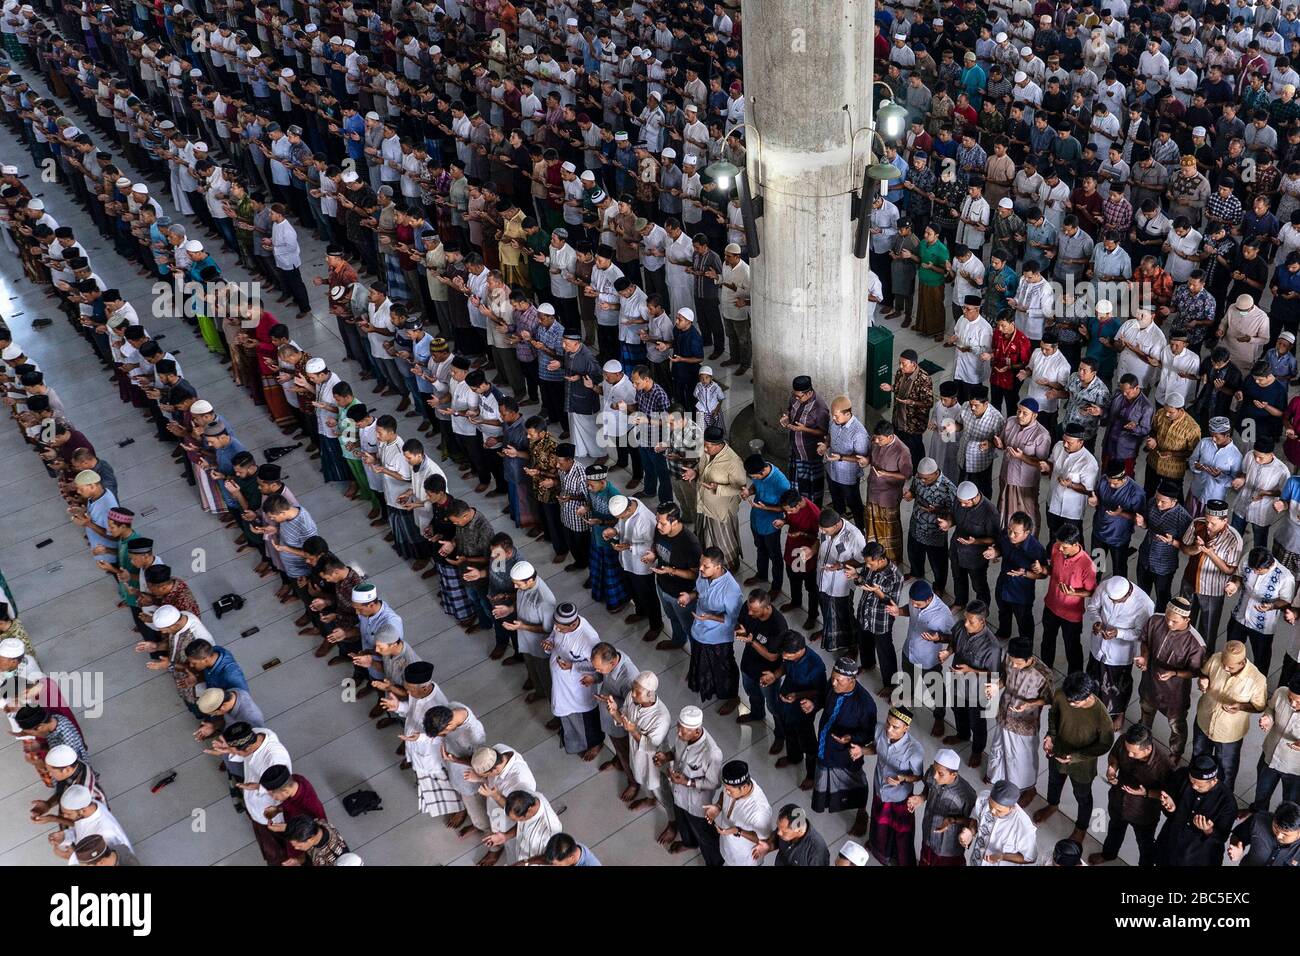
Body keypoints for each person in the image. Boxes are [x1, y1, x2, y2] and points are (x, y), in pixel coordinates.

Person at [1035, 672, 1114, 845]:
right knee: (1054, 781)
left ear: (1088, 696)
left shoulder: (1102, 716)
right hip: (1058, 751)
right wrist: (1051, 736)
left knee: (1083, 796)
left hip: (1082, 765)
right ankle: (1052, 805)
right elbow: (1053, 714)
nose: (1070, 703)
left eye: (1075, 702)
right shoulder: (1062, 694)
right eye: (1069, 699)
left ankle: (1081, 828)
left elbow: (1105, 745)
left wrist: (1076, 757)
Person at [1193, 640, 1269, 794]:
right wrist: (1204, 679)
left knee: (1226, 771)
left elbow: (1259, 706)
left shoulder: (1257, 680)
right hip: (1204, 721)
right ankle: (1197, 791)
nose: (1226, 669)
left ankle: (1222, 800)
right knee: (1198, 760)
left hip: (1228, 735)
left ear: (1242, 663)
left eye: (1230, 667)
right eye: (1224, 665)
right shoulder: (1216, 659)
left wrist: (1240, 706)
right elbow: (1203, 672)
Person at [1093, 723, 1174, 867]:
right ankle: (1108, 854)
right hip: (1118, 801)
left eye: (1134, 753)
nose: (1129, 754)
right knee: (1114, 830)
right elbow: (1114, 755)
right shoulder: (1125, 741)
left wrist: (1146, 793)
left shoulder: (1163, 765)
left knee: (1146, 846)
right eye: (1128, 750)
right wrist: (1112, 768)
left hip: (1143, 814)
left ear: (1148, 748)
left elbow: (1168, 794)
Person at [1136, 597, 1205, 762]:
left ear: (1187, 619)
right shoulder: (1155, 620)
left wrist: (1174, 673)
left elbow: (1194, 672)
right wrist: (1144, 657)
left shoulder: (1195, 643)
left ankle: (1175, 753)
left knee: (1177, 725)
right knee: (1146, 710)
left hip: (1174, 690)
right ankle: (1143, 739)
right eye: (1167, 618)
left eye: (1174, 621)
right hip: (1150, 680)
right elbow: (1144, 640)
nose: (1169, 623)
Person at [986, 637, 1054, 805]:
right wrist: (997, 686)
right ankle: (999, 778)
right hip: (1005, 713)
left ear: (1029, 659)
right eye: (1012, 661)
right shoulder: (1009, 659)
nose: (1014, 666)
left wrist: (1029, 704)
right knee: (999, 747)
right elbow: (1004, 676)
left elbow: (1050, 700)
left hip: (1025, 723)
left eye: (1018, 663)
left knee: (1021, 757)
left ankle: (1028, 789)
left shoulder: (1043, 674)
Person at [655, 705, 724, 864]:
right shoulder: (683, 734)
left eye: (683, 731)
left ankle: (714, 861)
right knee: (683, 822)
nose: (678, 733)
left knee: (705, 835)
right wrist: (667, 756)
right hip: (679, 793)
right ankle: (689, 843)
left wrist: (687, 782)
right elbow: (677, 751)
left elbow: (714, 783)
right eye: (678, 728)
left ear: (697, 731)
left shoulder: (712, 753)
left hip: (697, 803)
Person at [1086, 575, 1156, 726]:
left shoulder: (1144, 604)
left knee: (1118, 687)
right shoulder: (1106, 587)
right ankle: (1092, 709)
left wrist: (1119, 633)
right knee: (1093, 678)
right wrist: (1097, 621)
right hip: (1098, 646)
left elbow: (1142, 634)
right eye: (1111, 601)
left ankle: (1119, 713)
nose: (1113, 603)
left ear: (1128, 594)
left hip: (1119, 654)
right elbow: (1092, 606)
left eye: (1118, 601)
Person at [684, 547, 743, 711]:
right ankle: (699, 678)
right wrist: (690, 596)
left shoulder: (731, 590)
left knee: (723, 667)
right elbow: (699, 592)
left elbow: (734, 620)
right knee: (698, 657)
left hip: (718, 637)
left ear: (718, 567)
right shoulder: (703, 576)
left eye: (705, 566)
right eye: (701, 565)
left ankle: (731, 696)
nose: (700, 569)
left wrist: (710, 617)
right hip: (699, 629)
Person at [1153, 754, 1238, 867]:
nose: (1194, 787)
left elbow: (1222, 837)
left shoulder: (1227, 802)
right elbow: (1169, 810)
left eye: (1200, 786)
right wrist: (1171, 808)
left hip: (1200, 857)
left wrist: (1208, 830)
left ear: (1213, 781)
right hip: (1170, 846)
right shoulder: (1181, 776)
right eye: (1192, 782)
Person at [546, 602, 605, 760]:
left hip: (578, 687)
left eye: (560, 628)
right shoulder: (561, 624)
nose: (557, 629)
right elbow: (553, 635)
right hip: (561, 683)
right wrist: (550, 642)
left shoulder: (589, 639)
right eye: (556, 626)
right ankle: (569, 733)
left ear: (573, 624)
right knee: (565, 711)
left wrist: (572, 666)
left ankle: (595, 742)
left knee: (585, 716)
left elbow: (596, 666)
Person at [867, 705, 925, 866]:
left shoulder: (914, 751)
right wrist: (861, 751)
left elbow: (918, 776)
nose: (889, 730)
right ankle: (880, 852)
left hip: (899, 797)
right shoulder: (879, 730)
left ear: (906, 728)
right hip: (880, 789)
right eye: (888, 723)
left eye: (895, 727)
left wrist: (903, 778)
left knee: (901, 832)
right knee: (879, 824)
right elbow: (876, 748)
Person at [704, 759, 774, 866]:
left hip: (745, 858)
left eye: (730, 790)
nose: (727, 792)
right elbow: (724, 794)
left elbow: (764, 840)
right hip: (729, 846)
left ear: (744, 787)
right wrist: (718, 806)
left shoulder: (759, 812)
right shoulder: (733, 786)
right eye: (725, 788)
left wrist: (737, 831)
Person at [960, 780, 1039, 865]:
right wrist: (970, 832)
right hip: (977, 859)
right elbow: (976, 819)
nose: (992, 812)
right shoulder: (983, 799)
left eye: (999, 810)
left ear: (1012, 808)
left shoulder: (1024, 829)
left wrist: (1002, 856)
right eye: (991, 805)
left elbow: (1030, 858)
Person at [1229, 801, 1300, 866]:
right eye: (1275, 828)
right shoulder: (1258, 819)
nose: (1278, 836)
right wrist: (1236, 849)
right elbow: (1237, 835)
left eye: (1285, 834)